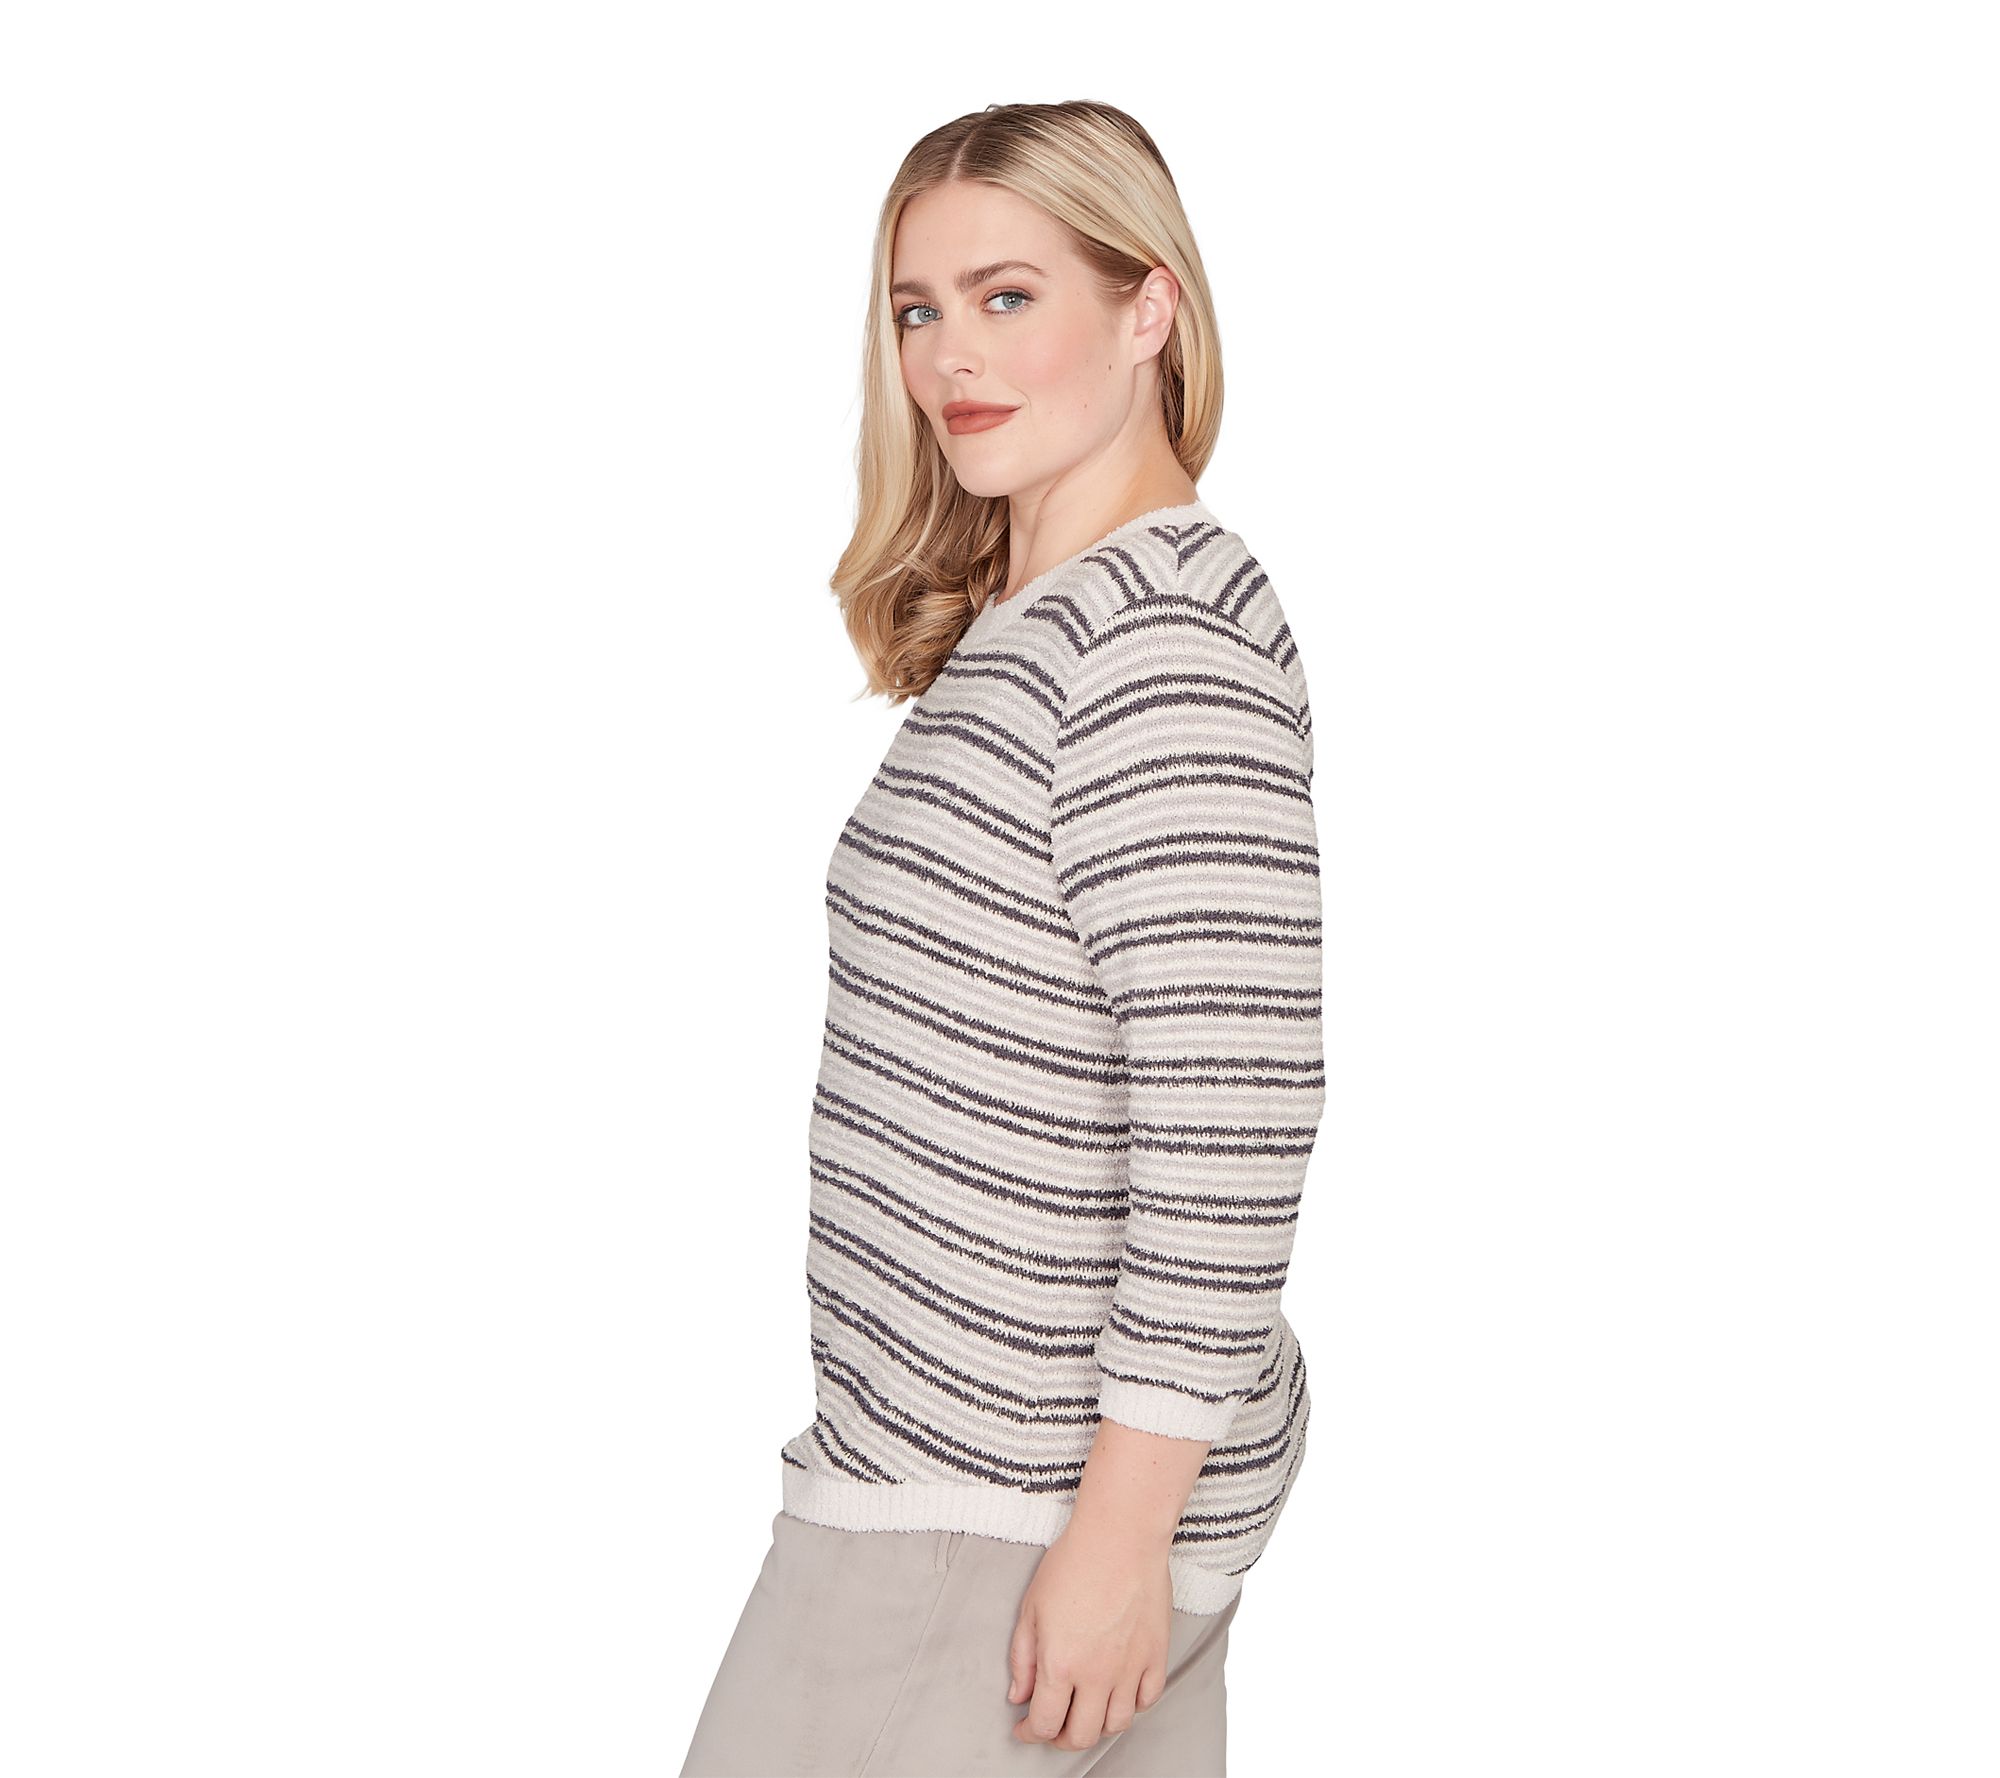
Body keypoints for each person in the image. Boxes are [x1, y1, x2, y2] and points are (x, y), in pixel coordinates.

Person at [680, 99, 1324, 1777]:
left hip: (996, 1520)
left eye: (1008, 295)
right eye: (919, 308)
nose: (950, 355)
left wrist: (1119, 1535)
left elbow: (1232, 1118)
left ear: (1149, 308)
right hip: (980, 1496)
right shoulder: (1040, 627)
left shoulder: (1161, 638)